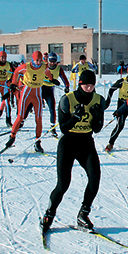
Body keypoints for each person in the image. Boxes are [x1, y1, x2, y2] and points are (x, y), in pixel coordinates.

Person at [41, 69, 105, 233]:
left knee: (95, 178)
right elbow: (63, 127)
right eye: (86, 85)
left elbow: (97, 129)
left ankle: (83, 214)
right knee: (63, 184)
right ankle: (49, 214)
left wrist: (97, 116)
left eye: (92, 85)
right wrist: (74, 117)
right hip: (68, 143)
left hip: (86, 142)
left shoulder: (98, 100)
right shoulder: (67, 100)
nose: (89, 89)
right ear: (80, 84)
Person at [41, 52, 70, 136]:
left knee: (52, 109)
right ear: (48, 60)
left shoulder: (58, 69)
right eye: (51, 61)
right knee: (35, 108)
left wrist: (67, 86)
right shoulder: (43, 67)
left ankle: (52, 128)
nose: (52, 63)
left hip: (49, 90)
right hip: (41, 88)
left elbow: (65, 79)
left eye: (54, 61)